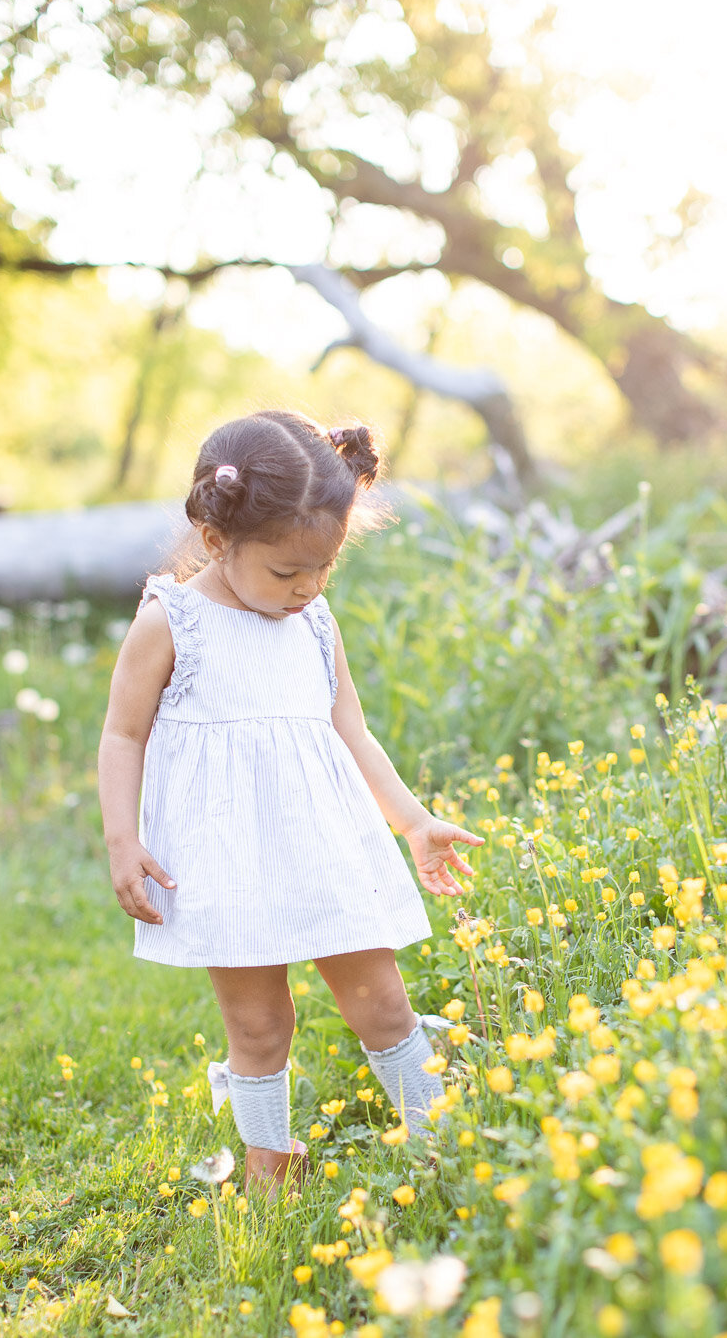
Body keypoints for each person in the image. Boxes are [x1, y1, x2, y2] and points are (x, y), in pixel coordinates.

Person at [98, 410, 483, 1198]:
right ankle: (271, 1158)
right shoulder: (171, 622)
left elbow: (353, 731)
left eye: (324, 569)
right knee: (258, 1024)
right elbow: (122, 735)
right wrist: (121, 839)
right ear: (215, 541)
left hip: (323, 846)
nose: (307, 587)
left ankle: (439, 1137)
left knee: (380, 1001)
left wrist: (412, 820)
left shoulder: (313, 622)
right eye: (286, 572)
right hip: (226, 858)